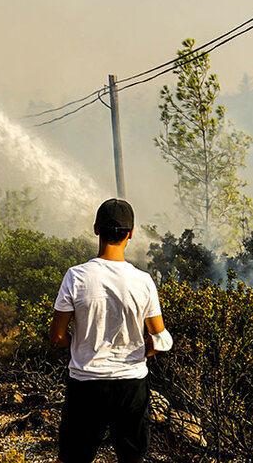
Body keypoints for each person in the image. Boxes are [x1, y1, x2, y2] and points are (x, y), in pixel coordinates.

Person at [49, 198, 172, 463]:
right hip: (131, 385)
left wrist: (81, 346)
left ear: (96, 229)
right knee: (131, 458)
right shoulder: (143, 281)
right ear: (131, 233)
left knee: (73, 457)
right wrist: (144, 351)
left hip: (85, 384)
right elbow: (160, 336)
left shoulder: (75, 276)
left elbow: (57, 335)